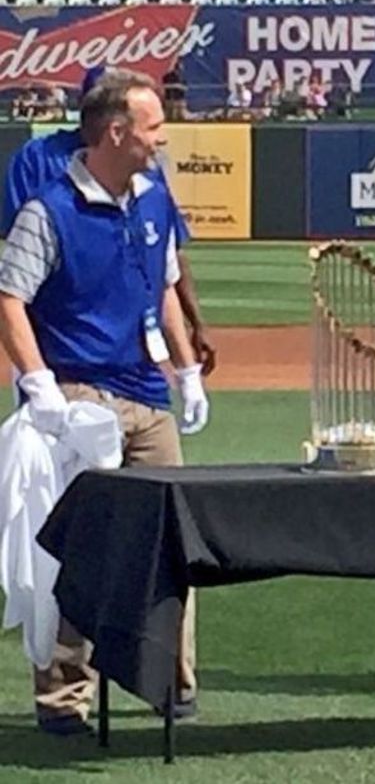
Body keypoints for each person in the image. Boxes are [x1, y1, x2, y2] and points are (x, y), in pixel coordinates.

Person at [0, 70, 211, 736]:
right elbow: (9, 297)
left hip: (148, 396)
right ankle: (64, 697)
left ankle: (172, 683)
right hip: (79, 399)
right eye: (152, 127)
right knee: (79, 549)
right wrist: (38, 384)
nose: (162, 138)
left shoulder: (153, 200)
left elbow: (167, 284)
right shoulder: (50, 209)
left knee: (177, 544)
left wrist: (186, 370)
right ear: (117, 132)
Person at [2, 68, 216, 373]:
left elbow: (168, 258)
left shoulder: (145, 169)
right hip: (56, 345)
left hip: (132, 349)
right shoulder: (37, 156)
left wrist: (196, 325)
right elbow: (19, 254)